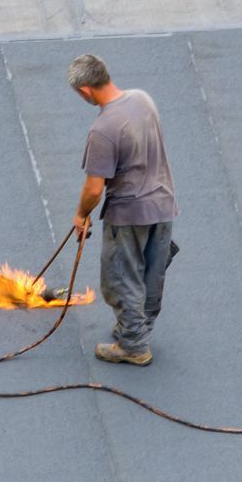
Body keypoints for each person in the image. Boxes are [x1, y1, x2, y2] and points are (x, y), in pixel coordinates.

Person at [68, 53, 178, 366]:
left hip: (129, 214)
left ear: (86, 90)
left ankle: (133, 346)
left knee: (122, 277)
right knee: (152, 272)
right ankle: (138, 326)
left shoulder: (103, 129)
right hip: (164, 204)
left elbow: (93, 188)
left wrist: (80, 215)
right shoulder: (142, 99)